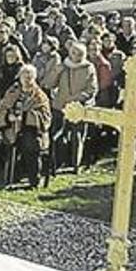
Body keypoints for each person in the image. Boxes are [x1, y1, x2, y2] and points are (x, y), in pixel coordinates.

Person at [0, 65, 52, 187]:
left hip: (33, 130)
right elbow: (2, 108)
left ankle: (33, 179)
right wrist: (7, 117)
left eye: (30, 77)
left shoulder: (40, 96)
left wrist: (25, 117)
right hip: (12, 127)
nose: (27, 80)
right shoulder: (12, 91)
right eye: (24, 76)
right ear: (19, 77)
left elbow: (46, 118)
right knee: (4, 143)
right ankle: (10, 176)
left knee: (30, 145)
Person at [50, 42, 98, 174]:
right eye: (73, 53)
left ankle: (75, 164)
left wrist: (77, 98)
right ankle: (58, 163)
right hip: (60, 106)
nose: (76, 56)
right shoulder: (62, 66)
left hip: (79, 107)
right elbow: (48, 83)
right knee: (58, 135)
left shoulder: (89, 67)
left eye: (79, 54)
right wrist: (56, 72)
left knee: (77, 136)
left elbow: (92, 89)